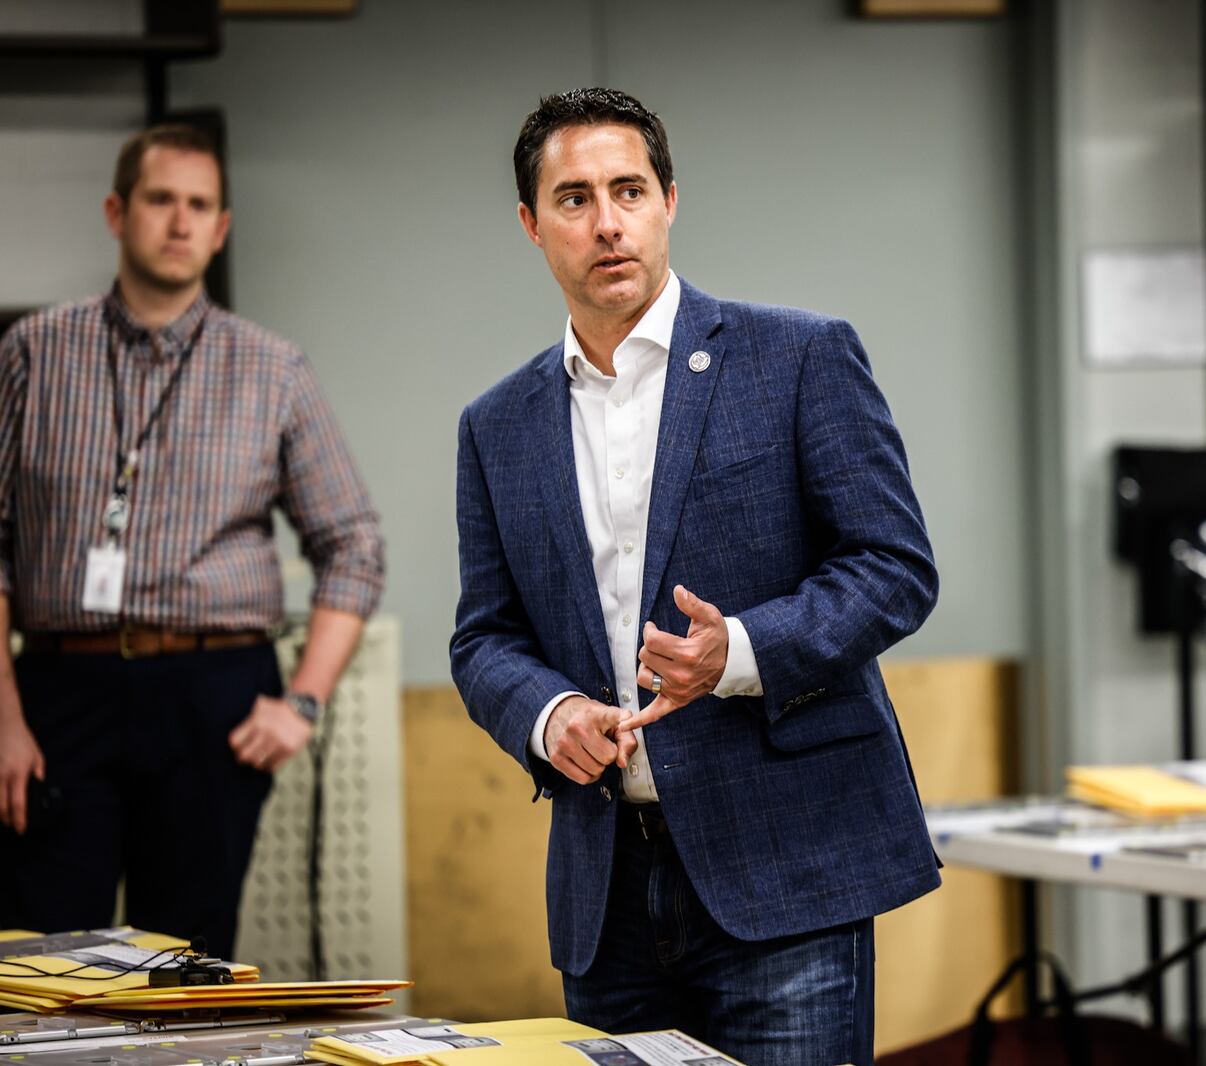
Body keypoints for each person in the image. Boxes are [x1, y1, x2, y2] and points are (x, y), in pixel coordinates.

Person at [451, 87, 940, 1065]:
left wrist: (741, 652)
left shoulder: (798, 356)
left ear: (669, 199)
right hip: (608, 888)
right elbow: (484, 637)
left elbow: (894, 567)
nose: (607, 222)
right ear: (530, 225)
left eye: (628, 190)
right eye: (575, 199)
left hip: (786, 872)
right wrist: (550, 716)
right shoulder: (495, 423)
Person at [0, 124, 384, 958]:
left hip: (213, 693)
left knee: (186, 960)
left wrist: (304, 702)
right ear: (117, 211)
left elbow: (353, 544)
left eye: (199, 205)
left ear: (221, 228)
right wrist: (3, 717)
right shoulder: (33, 352)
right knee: (47, 961)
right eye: (160, 200)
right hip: (58, 694)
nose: (179, 222)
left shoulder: (273, 368)